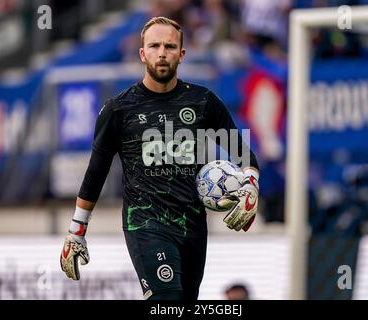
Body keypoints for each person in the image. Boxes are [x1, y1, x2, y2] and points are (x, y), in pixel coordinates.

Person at [59, 16, 260, 301]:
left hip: (193, 225)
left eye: (169, 46)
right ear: (142, 54)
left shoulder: (203, 102)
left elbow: (241, 152)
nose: (162, 52)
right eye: (154, 46)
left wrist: (250, 183)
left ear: (182, 54)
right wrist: (76, 230)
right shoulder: (119, 109)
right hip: (145, 224)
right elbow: (96, 172)